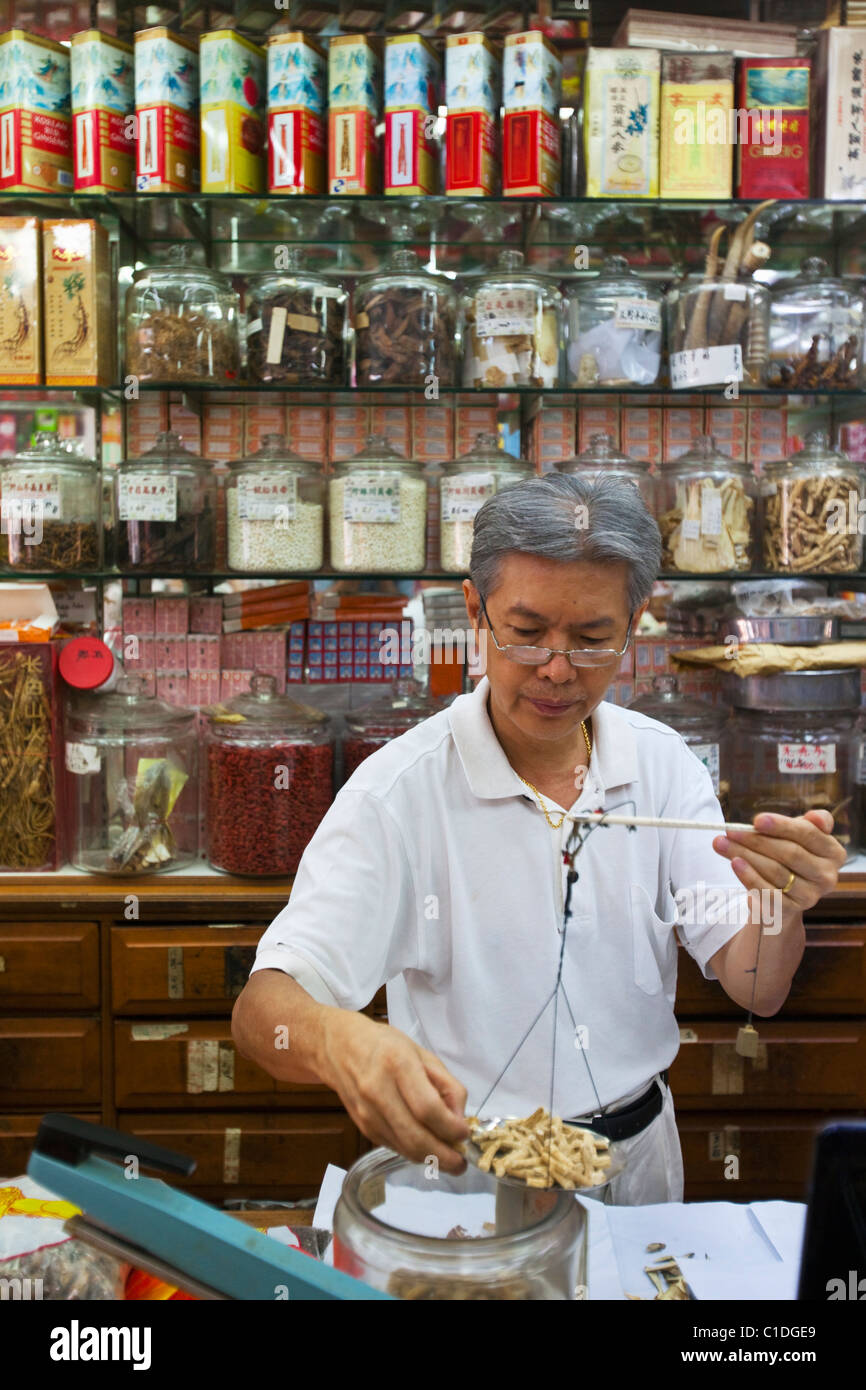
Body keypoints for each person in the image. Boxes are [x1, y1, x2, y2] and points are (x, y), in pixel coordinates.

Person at [232, 474, 845, 1203]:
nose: (557, 670)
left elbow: (760, 988)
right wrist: (337, 1040)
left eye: (592, 639)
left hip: (635, 1163)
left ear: (634, 623)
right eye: (525, 634)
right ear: (474, 612)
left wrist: (780, 902)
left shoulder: (661, 764)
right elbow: (262, 1009)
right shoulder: (399, 791)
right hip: (469, 1176)